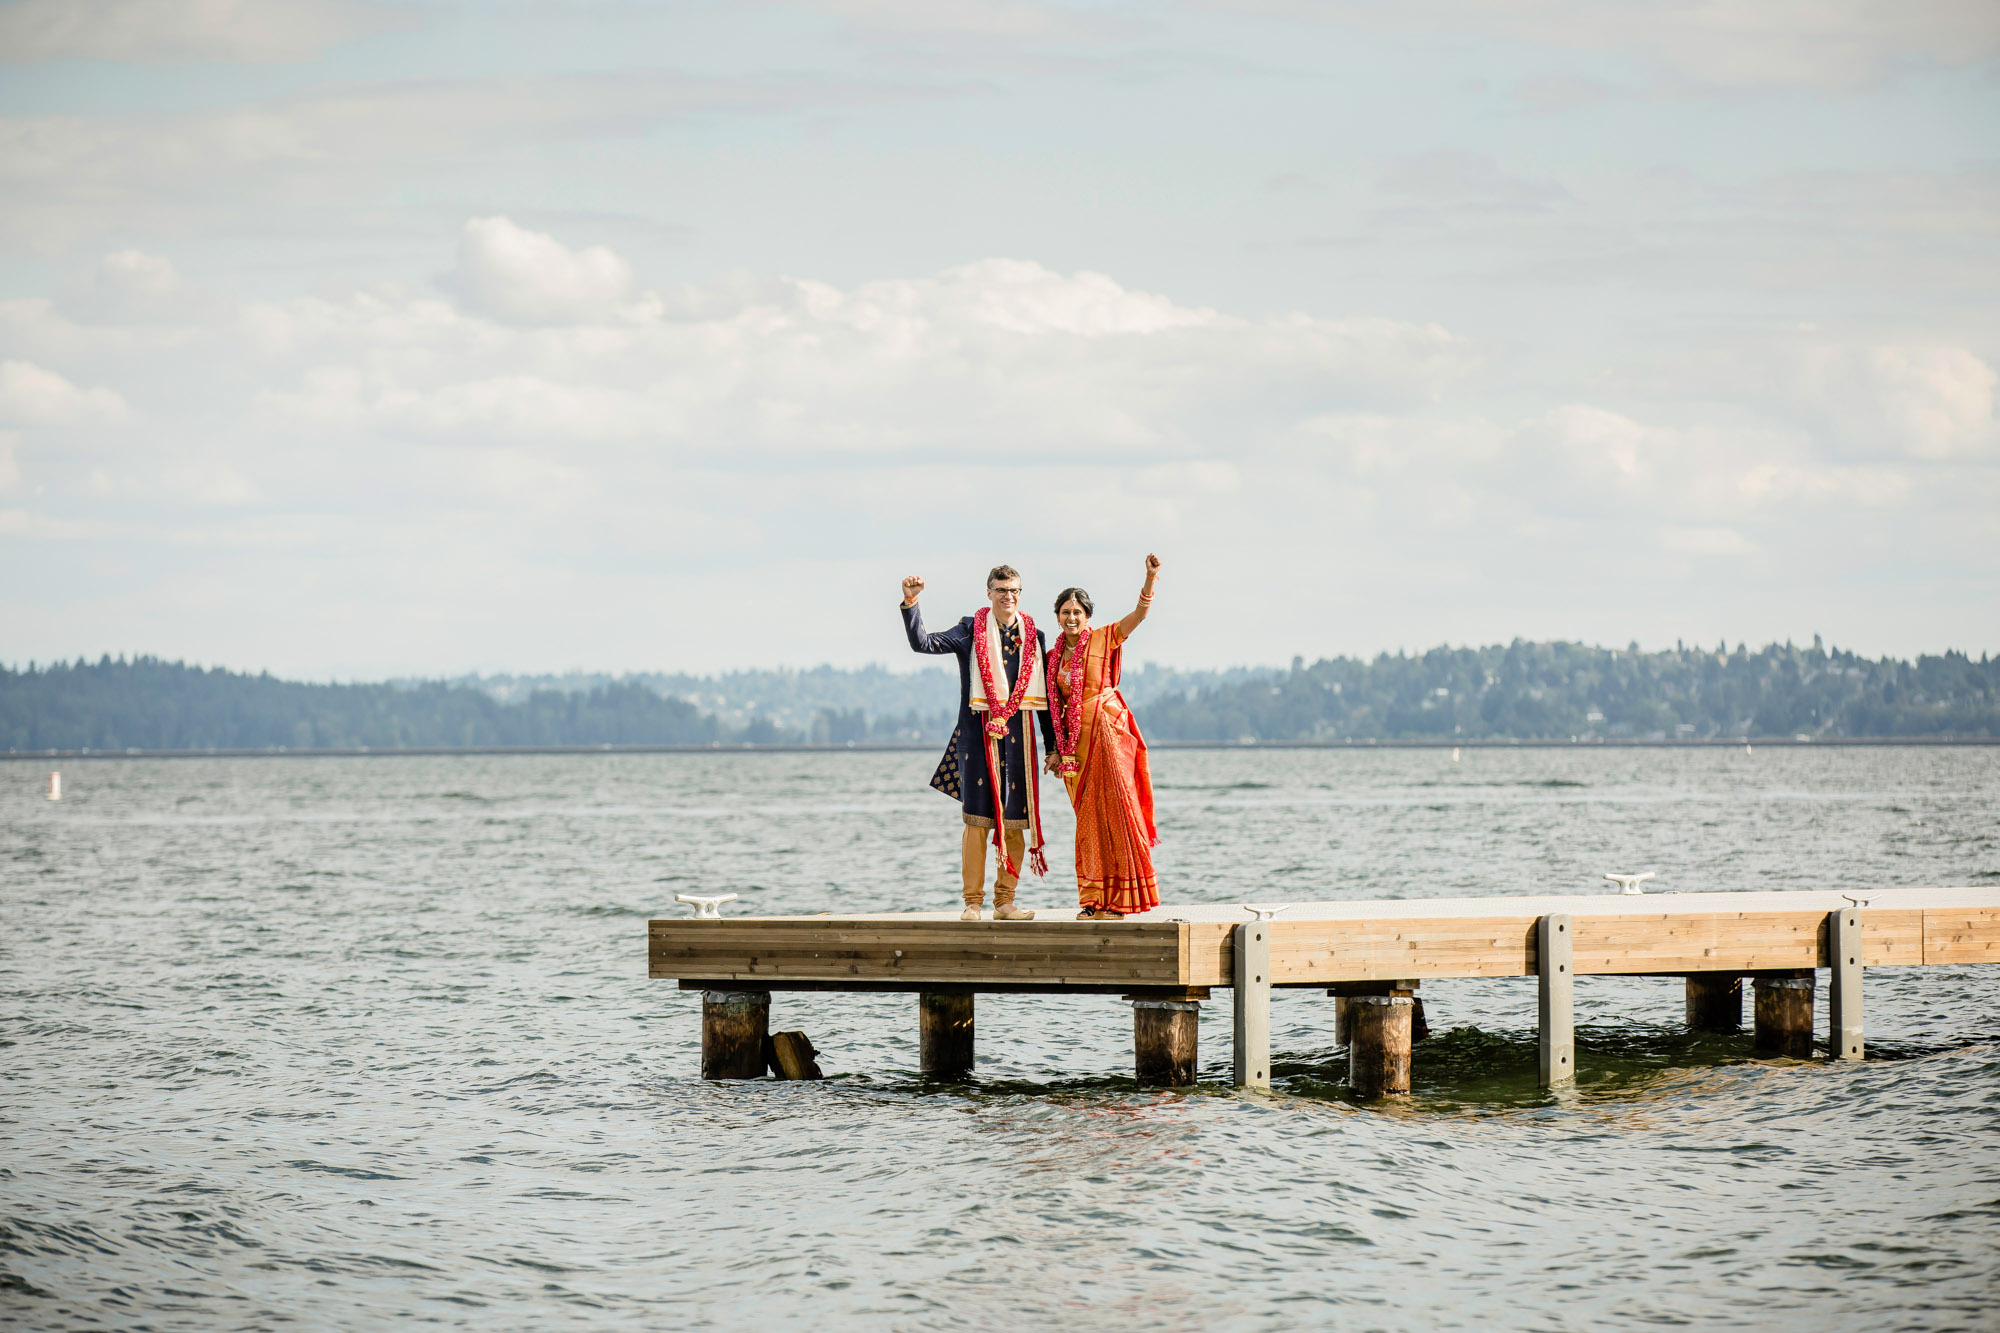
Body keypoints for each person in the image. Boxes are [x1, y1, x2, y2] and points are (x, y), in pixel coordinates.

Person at [901, 565, 1058, 921]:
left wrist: (1052, 747)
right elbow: (922, 643)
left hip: (1020, 739)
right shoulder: (969, 629)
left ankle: (1005, 902)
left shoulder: (1035, 635)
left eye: (1015, 590)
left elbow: (1044, 698)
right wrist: (911, 603)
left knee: (1017, 821)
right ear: (989, 593)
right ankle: (973, 903)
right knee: (976, 823)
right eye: (1002, 589)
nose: (1009, 596)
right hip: (977, 736)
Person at [1044, 554, 1162, 919]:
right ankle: (1093, 901)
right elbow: (1050, 709)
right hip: (1075, 747)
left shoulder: (1103, 638)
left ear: (1088, 617)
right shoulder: (1051, 659)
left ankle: (1121, 902)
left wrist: (1149, 579)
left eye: (1078, 612)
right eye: (1066, 612)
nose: (1072, 618)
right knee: (1088, 823)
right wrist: (1053, 750)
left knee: (1116, 814)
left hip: (1109, 734)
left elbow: (1139, 617)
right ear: (1058, 616)